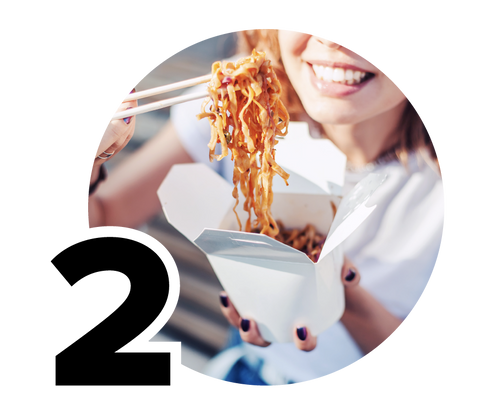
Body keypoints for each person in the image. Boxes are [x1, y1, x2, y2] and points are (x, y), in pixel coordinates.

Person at [86, 27, 446, 387]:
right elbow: (102, 216)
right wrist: (94, 160)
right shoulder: (235, 98)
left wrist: (333, 287)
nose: (332, 42)